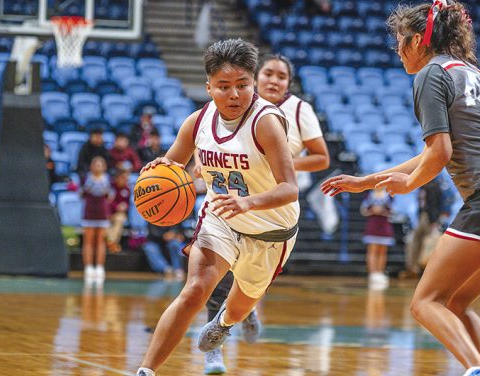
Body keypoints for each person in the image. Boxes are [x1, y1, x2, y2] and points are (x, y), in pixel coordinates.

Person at [321, 2, 480, 375]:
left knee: (425, 302)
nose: (397, 49)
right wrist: (366, 181)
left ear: (418, 41)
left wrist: (409, 183)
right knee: (456, 303)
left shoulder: (430, 75)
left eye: (400, 40)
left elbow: (439, 152)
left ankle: (478, 370)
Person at [136, 39, 299, 376]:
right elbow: (173, 167)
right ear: (208, 86)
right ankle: (146, 371)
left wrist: (248, 202)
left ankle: (223, 323)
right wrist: (157, 172)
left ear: (253, 82)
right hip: (221, 220)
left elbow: (289, 189)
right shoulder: (197, 123)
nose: (235, 94)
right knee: (194, 290)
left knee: (240, 307)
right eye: (224, 86)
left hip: (271, 231)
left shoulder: (266, 122)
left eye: (243, 85)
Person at [198, 53, 330, 374]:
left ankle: (245, 307)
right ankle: (214, 351)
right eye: (268, 73)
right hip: (229, 204)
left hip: (272, 210)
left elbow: (322, 158)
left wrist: (277, 159)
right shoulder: (235, 106)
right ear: (255, 77)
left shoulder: (299, 110)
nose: (274, 80)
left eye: (281, 76)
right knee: (215, 277)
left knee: (253, 278)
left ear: (288, 83)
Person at [400, 175, 451, 279]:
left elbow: (435, 204)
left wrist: (433, 220)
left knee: (425, 242)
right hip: (424, 216)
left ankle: (423, 268)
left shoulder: (433, 186)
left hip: (429, 218)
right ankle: (415, 267)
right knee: (417, 240)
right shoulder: (424, 186)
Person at [81, 156, 113, 285]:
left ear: (104, 167)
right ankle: (88, 268)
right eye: (96, 164)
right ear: (91, 167)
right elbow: (80, 194)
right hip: (89, 211)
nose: (98, 167)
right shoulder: (86, 178)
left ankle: (100, 268)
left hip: (102, 212)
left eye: (100, 165)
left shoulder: (107, 179)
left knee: (100, 241)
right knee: (88, 241)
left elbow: (110, 196)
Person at [360, 188, 394, 289]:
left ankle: (380, 273)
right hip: (373, 224)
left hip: (384, 225)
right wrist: (372, 210)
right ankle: (372, 273)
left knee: (383, 251)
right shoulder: (369, 195)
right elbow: (363, 210)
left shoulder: (389, 194)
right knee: (372, 250)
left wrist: (382, 211)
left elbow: (394, 209)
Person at [106, 166, 131, 253]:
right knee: (105, 223)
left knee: (120, 219)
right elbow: (108, 201)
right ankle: (112, 244)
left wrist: (125, 206)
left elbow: (127, 204)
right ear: (117, 178)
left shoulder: (127, 189)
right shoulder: (110, 187)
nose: (125, 180)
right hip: (107, 213)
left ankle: (111, 242)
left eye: (126, 178)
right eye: (123, 178)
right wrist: (116, 206)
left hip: (119, 214)